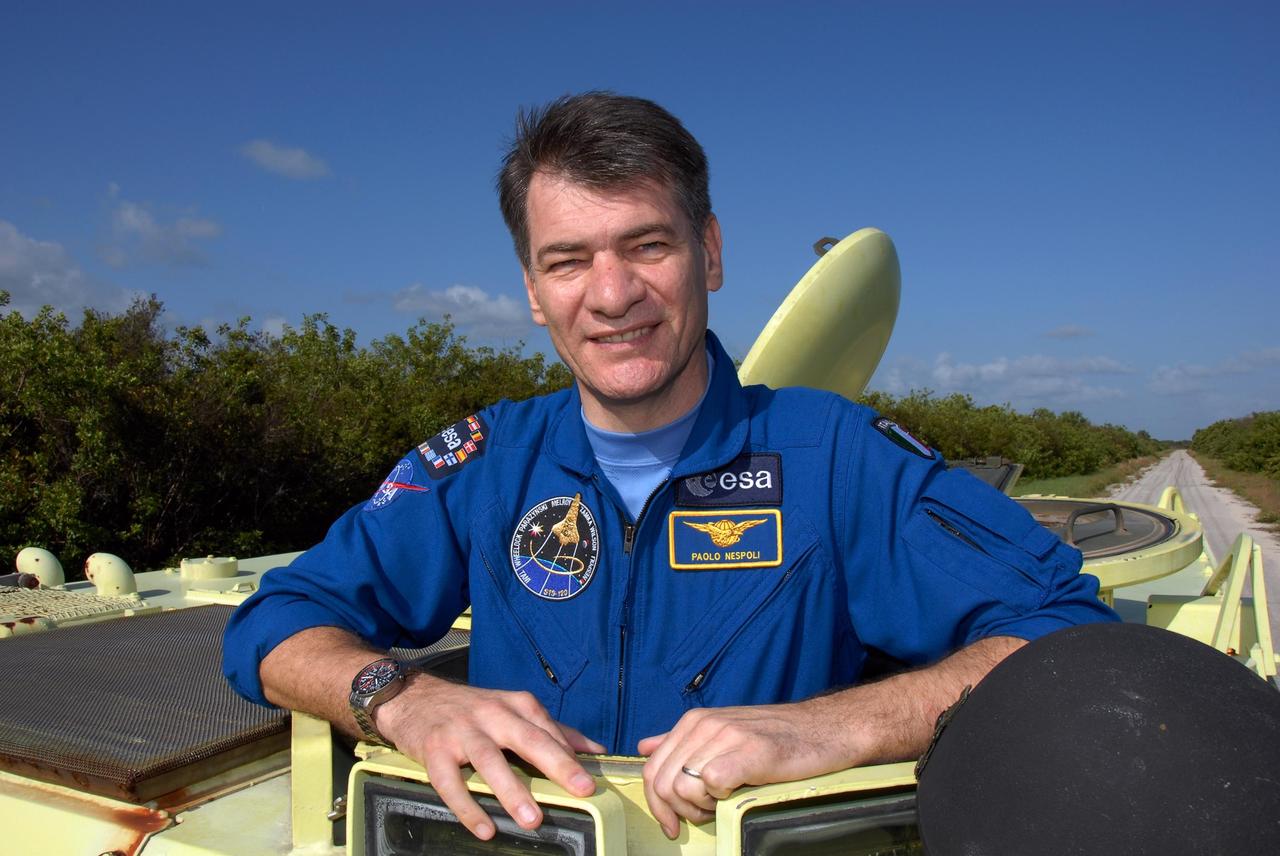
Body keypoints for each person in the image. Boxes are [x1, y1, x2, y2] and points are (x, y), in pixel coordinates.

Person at [222, 91, 1118, 842]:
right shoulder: (486, 464)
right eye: (568, 261)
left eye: (647, 245)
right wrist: (402, 698)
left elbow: (1069, 632)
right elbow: (276, 623)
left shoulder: (836, 456)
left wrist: (834, 727)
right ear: (533, 293)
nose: (612, 295)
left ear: (711, 252)